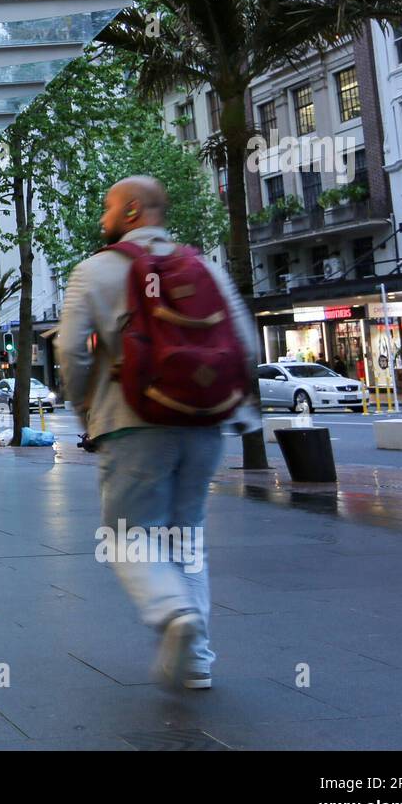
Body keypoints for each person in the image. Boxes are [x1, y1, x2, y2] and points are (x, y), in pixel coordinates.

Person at [57, 176, 258, 692]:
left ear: (129, 211)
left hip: (131, 422)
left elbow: (72, 351)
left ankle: (172, 613)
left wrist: (83, 404)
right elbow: (245, 345)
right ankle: (196, 663)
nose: (102, 216)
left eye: (106, 207)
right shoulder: (203, 265)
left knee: (127, 535)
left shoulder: (93, 271)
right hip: (204, 422)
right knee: (187, 536)